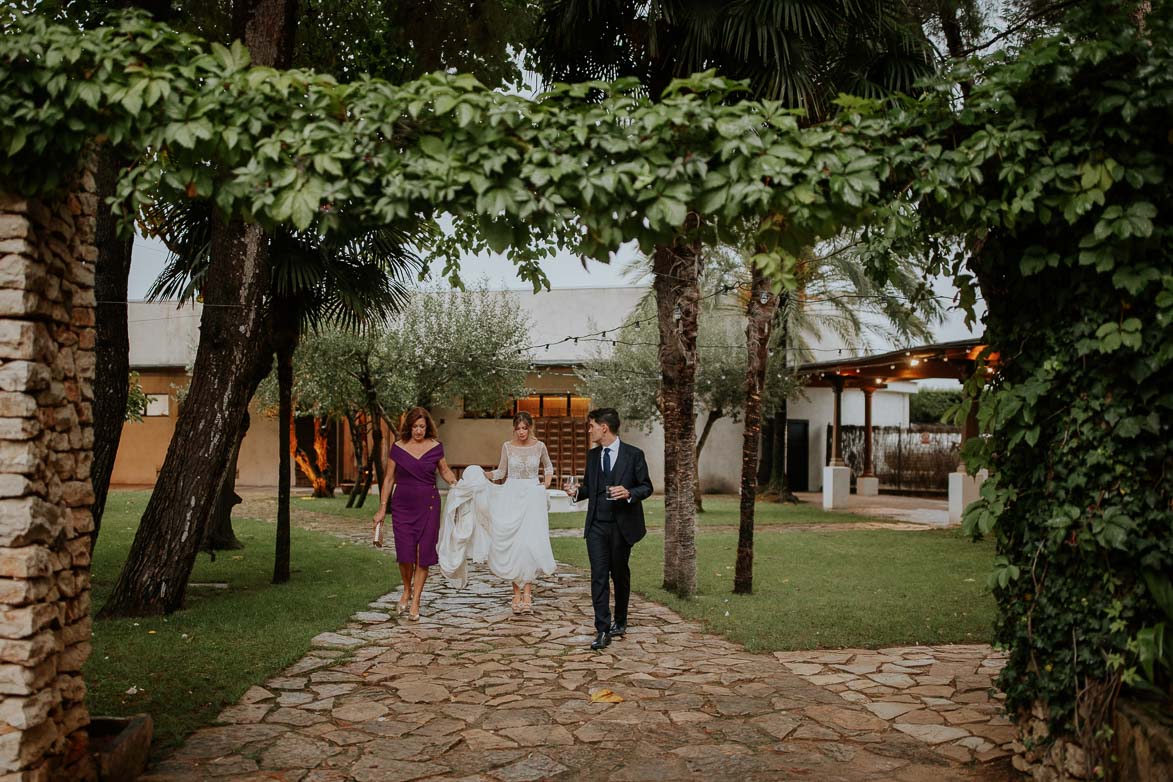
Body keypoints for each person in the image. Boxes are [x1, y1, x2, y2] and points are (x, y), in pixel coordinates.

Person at [563, 408, 652, 650]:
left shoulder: (634, 455)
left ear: (604, 427)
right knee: (598, 576)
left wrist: (629, 492)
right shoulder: (593, 456)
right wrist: (576, 492)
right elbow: (590, 488)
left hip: (623, 526)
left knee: (619, 574)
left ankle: (620, 620)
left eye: (591, 425)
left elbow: (646, 487)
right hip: (597, 526)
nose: (588, 430)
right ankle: (602, 629)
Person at [372, 407, 458, 621]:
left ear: (427, 427)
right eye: (415, 427)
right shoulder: (398, 448)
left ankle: (416, 599)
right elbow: (389, 479)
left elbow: (444, 470)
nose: (419, 431)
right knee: (405, 553)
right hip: (402, 506)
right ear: (408, 427)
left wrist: (457, 484)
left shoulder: (436, 447)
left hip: (429, 505)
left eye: (422, 426)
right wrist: (383, 507)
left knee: (424, 554)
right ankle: (406, 589)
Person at [487, 412, 557, 614]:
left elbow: (549, 466)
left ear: (530, 427)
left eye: (525, 428)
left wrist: (545, 484)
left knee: (529, 544)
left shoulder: (539, 446)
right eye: (518, 428)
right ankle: (516, 592)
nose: (521, 432)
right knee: (514, 545)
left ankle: (527, 593)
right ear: (514, 429)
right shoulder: (507, 447)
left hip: (532, 497)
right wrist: (481, 475)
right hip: (511, 496)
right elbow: (501, 472)